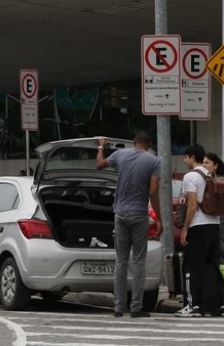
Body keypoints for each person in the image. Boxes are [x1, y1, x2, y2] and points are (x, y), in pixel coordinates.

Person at [95, 132, 161, 318]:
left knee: (121, 261)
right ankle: (136, 308)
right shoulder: (153, 161)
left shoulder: (120, 155)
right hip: (139, 214)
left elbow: (99, 165)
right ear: (148, 144)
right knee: (139, 261)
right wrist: (159, 219)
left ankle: (118, 307)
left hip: (120, 214)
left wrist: (101, 146)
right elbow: (154, 192)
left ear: (134, 143)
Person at [176, 145, 224, 318]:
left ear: (191, 157)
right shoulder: (209, 174)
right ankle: (220, 304)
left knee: (191, 266)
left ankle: (193, 304)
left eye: (185, 158)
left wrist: (185, 229)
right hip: (214, 225)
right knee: (213, 265)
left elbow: (192, 205)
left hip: (198, 226)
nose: (184, 161)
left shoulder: (191, 176)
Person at [203, 152, 224, 267]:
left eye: (207, 163)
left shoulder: (220, 182)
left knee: (221, 253)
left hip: (216, 225)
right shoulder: (212, 180)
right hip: (214, 226)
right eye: (203, 163)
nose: (204, 165)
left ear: (215, 165)